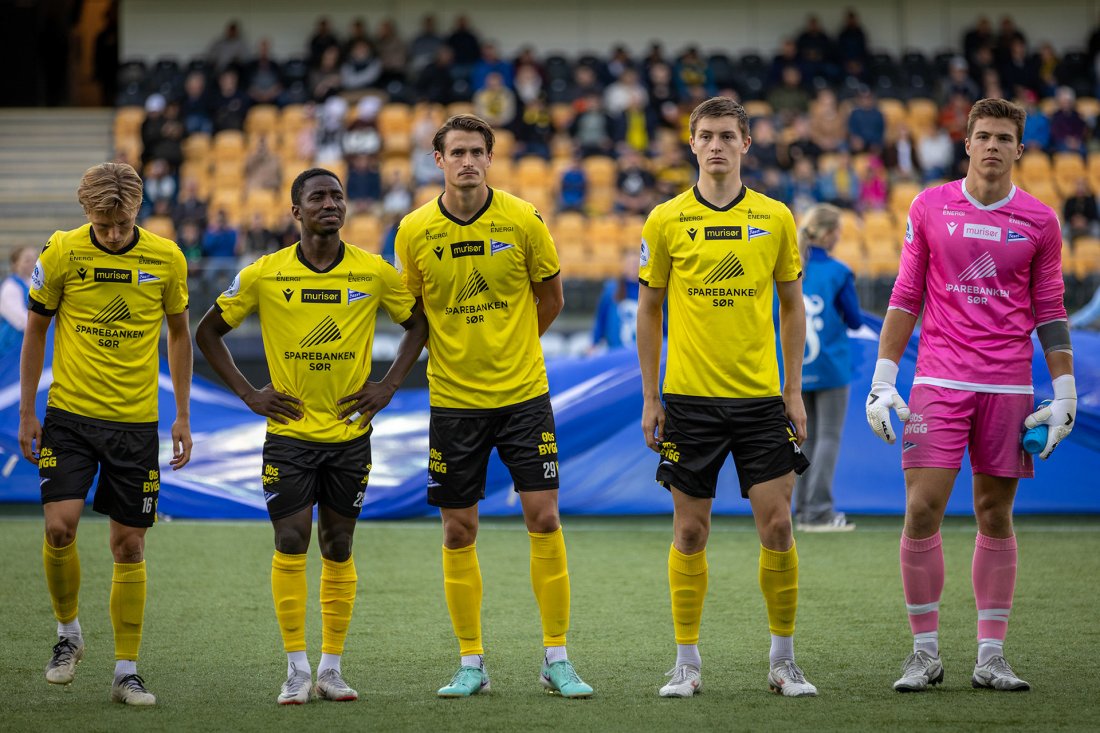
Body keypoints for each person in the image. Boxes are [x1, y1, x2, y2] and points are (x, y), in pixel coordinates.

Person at [195, 168, 428, 704]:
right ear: (295, 212)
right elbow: (206, 331)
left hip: (350, 434)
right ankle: (296, 667)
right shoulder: (264, 274)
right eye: (318, 196)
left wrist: (389, 384)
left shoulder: (373, 272)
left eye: (338, 196)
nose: (331, 203)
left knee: (338, 544)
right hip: (290, 435)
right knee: (292, 539)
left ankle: (331, 668)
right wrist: (250, 394)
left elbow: (417, 324)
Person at [866, 98, 1074, 693]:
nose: (990, 146)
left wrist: (1064, 392)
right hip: (937, 381)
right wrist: (885, 378)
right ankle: (924, 654)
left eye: (1002, 138)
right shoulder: (930, 205)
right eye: (981, 136)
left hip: (1008, 385)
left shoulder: (1041, 221)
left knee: (994, 514)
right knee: (921, 510)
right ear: (967, 144)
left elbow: (1051, 311)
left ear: (1019, 149)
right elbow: (906, 295)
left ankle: (990, 656)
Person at [394, 114, 593, 699]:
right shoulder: (413, 230)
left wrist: (512, 348)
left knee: (545, 518)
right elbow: (414, 314)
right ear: (438, 160)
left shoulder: (523, 219)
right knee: (459, 530)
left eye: (477, 152)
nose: (467, 162)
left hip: (524, 396)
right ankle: (471, 663)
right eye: (457, 152)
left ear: (490, 157)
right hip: (454, 403)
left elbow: (550, 297)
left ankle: (555, 656)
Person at [636, 96, 814, 699]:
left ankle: (783, 661)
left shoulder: (776, 218)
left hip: (762, 402)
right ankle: (686, 662)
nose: (716, 145)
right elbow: (649, 309)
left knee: (779, 527)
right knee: (690, 533)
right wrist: (650, 397)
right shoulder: (664, 220)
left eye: (727, 136)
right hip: (688, 402)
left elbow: (792, 307)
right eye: (706, 135)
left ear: (745, 144)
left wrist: (792, 391)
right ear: (691, 144)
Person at [18, 162, 193, 706]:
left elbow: (180, 334)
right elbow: (36, 330)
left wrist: (182, 415)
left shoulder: (166, 258)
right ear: (85, 212)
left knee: (129, 544)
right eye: (102, 223)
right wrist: (28, 412)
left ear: (137, 211)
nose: (113, 233)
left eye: (121, 224)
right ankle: (67, 634)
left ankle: (126, 671)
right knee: (59, 529)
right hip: (70, 417)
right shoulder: (62, 252)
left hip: (135, 424)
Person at [792, 204, 861, 532]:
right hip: (831, 366)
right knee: (828, 437)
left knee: (803, 439)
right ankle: (818, 512)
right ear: (831, 234)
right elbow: (856, 319)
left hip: (794, 367)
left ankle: (803, 509)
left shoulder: (790, 266)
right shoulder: (839, 272)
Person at [0, 246, 36, 355]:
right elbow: (21, 320)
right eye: (27, 260)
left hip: (28, 339)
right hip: (12, 343)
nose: (33, 263)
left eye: (35, 260)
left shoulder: (32, 283)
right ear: (15, 263)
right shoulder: (10, 286)